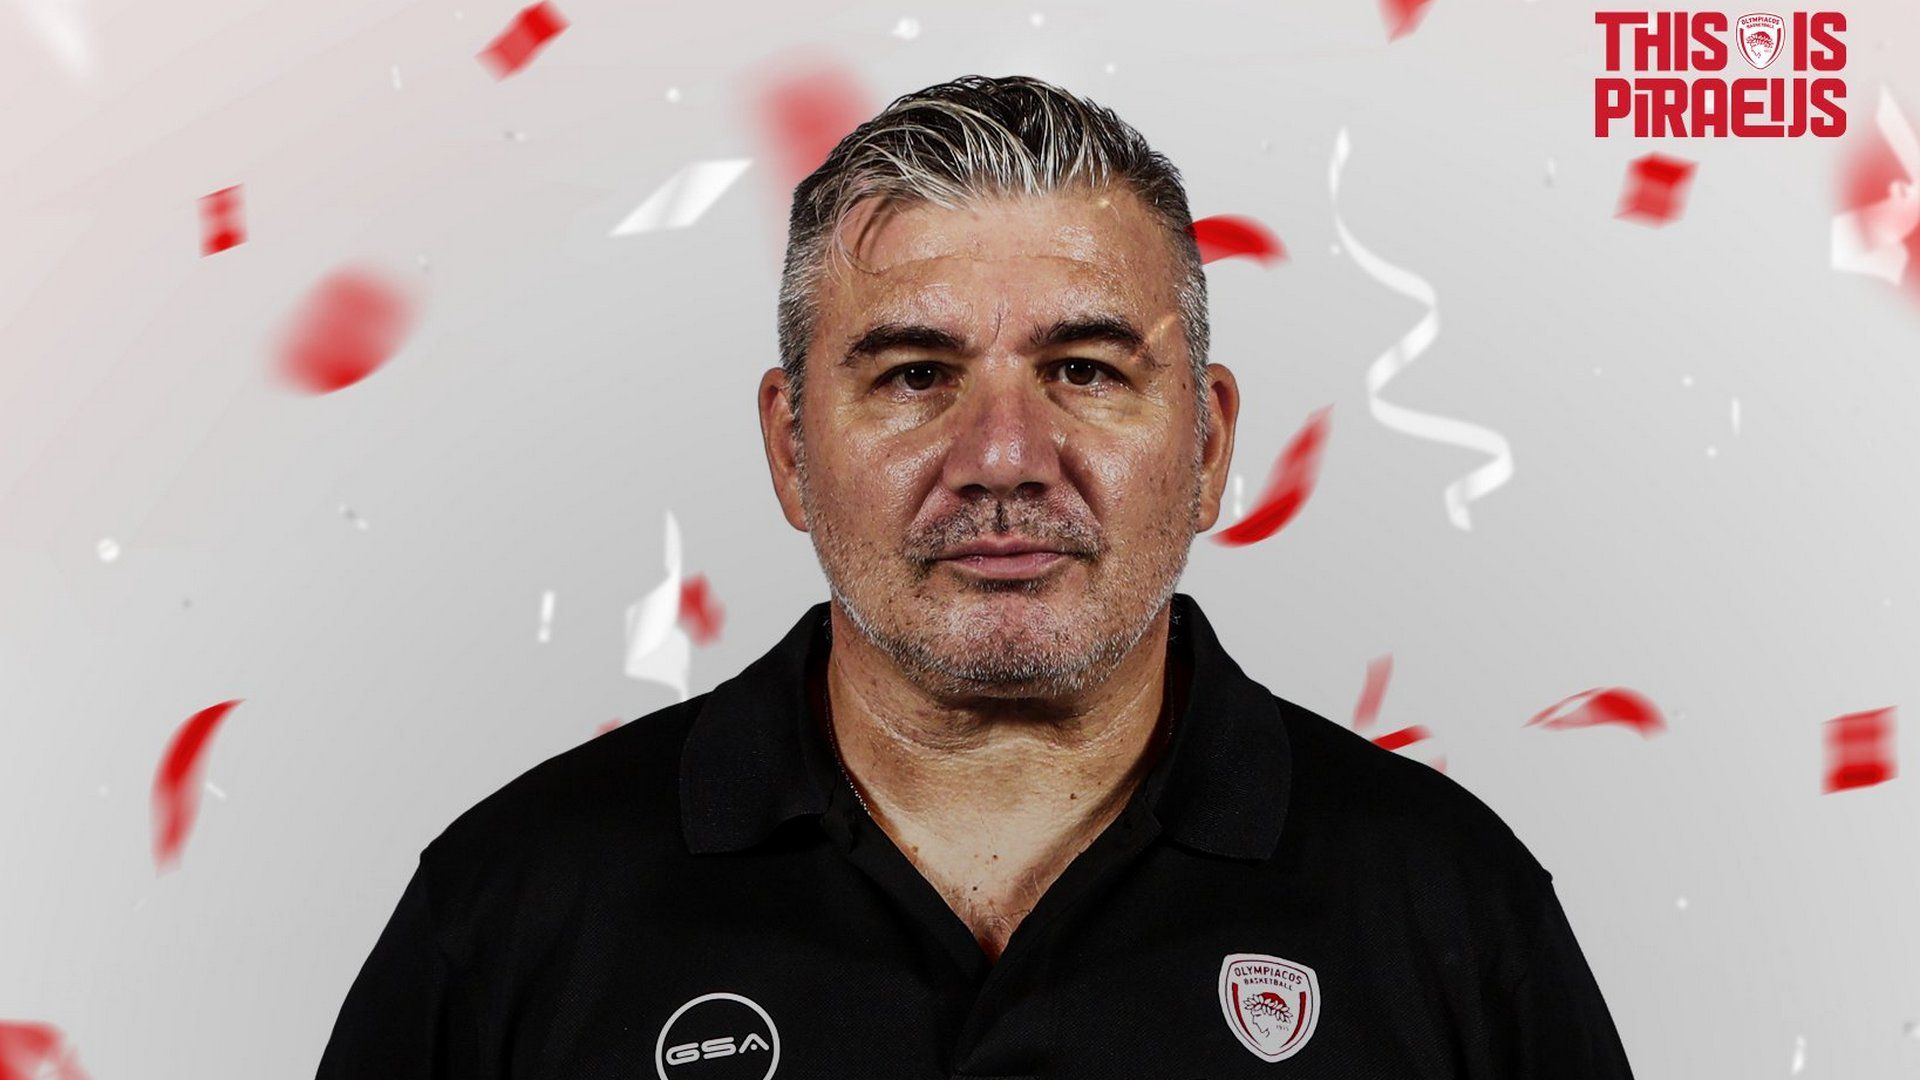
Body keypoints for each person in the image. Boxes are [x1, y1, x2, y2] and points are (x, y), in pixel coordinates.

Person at [315, 74, 1636, 1079]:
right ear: (789, 446)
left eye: (1086, 370)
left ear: (1209, 445)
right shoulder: (515, 912)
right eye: (914, 375)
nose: (1004, 456)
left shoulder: (1451, 911)